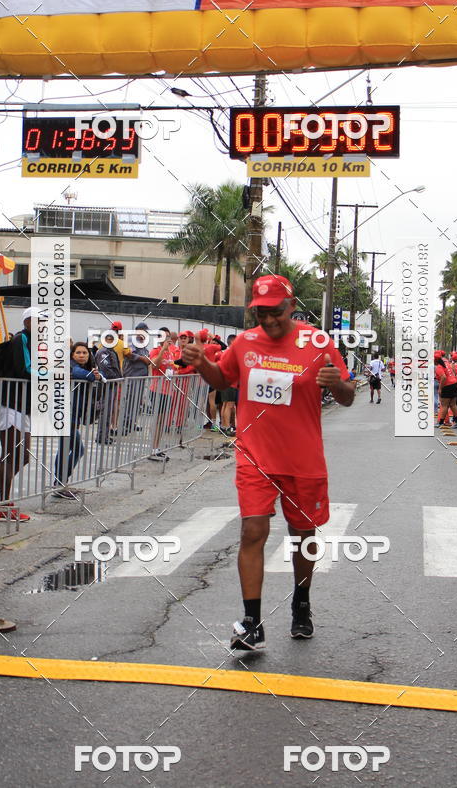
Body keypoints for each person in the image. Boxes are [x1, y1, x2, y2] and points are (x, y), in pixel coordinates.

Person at [182, 274, 355, 651]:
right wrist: (200, 365)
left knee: (302, 536)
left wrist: (336, 384)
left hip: (302, 458)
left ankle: (301, 602)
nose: (270, 320)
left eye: (275, 311)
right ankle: (251, 622)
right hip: (255, 455)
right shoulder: (244, 342)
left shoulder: (318, 343)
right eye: (261, 313)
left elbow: (347, 397)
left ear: (291, 306)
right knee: (252, 532)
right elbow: (222, 376)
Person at [0, 307, 36, 522]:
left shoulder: (33, 341)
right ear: (28, 321)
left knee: (23, 455)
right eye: (40, 321)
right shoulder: (21, 339)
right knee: (11, 454)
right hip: (11, 402)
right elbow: (24, 369)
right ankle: (2, 504)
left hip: (23, 405)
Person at [53, 343, 101, 499]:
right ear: (72, 354)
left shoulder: (83, 368)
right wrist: (94, 375)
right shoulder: (71, 366)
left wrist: (95, 374)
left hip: (73, 415)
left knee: (74, 448)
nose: (82, 355)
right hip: (64, 413)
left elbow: (97, 377)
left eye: (85, 353)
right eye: (78, 352)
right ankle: (59, 484)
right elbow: (88, 375)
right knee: (68, 448)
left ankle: (60, 482)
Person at [148, 326, 176, 460]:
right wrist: (163, 350)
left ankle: (157, 447)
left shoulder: (170, 352)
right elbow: (154, 365)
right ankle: (153, 448)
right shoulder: (155, 350)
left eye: (168, 336)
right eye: (164, 336)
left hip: (168, 390)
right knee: (157, 420)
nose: (167, 339)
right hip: (157, 390)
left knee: (162, 421)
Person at [121, 322, 152, 434]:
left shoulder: (143, 344)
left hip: (141, 377)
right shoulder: (131, 340)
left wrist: (147, 359)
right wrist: (142, 359)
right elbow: (129, 354)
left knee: (136, 401)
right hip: (133, 376)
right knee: (130, 401)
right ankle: (125, 424)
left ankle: (132, 423)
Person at [94, 327, 122, 444]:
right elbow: (106, 369)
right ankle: (101, 437)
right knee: (105, 411)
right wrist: (117, 378)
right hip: (106, 384)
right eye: (108, 338)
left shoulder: (111, 351)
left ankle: (104, 435)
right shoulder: (103, 352)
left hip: (111, 384)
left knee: (108, 411)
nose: (111, 341)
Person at [435, 351, 457, 428]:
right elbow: (452, 372)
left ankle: (440, 422)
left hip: (447, 386)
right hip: (454, 384)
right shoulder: (446, 364)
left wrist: (440, 388)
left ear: (435, 360)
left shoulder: (439, 367)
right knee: (453, 404)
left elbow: (443, 377)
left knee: (444, 405)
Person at [220, 334, 238, 436]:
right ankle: (227, 427)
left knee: (225, 404)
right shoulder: (231, 352)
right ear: (232, 342)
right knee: (229, 405)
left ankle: (223, 425)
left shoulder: (226, 352)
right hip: (231, 382)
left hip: (226, 381)